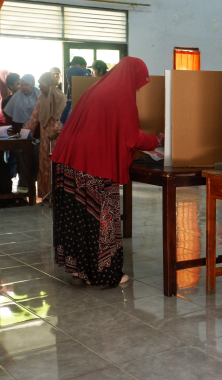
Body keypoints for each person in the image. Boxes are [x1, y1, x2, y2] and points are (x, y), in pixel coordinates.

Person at [52, 57, 159, 287]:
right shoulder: (123, 95)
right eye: (139, 82)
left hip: (67, 158)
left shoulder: (98, 87)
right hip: (92, 161)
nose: (139, 87)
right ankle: (105, 273)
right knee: (102, 216)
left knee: (77, 215)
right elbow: (133, 138)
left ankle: (78, 270)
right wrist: (157, 139)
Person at [23, 73, 67, 201]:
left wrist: (55, 131)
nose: (40, 86)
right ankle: (46, 195)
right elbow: (34, 117)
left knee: (57, 165)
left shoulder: (61, 98)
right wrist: (24, 132)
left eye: (42, 83)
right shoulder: (41, 98)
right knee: (44, 165)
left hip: (57, 138)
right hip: (45, 139)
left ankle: (59, 195)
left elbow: (63, 119)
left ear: (48, 84)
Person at [3, 74, 41, 194]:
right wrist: (10, 130)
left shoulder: (40, 95)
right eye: (21, 85)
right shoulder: (16, 96)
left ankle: (36, 181)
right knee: (21, 156)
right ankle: (24, 183)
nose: (23, 87)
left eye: (26, 85)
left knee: (36, 156)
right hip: (20, 131)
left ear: (32, 84)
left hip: (37, 131)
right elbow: (9, 114)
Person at [60, 56, 92, 124]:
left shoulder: (89, 83)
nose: (72, 69)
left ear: (83, 66)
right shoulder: (72, 88)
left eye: (74, 66)